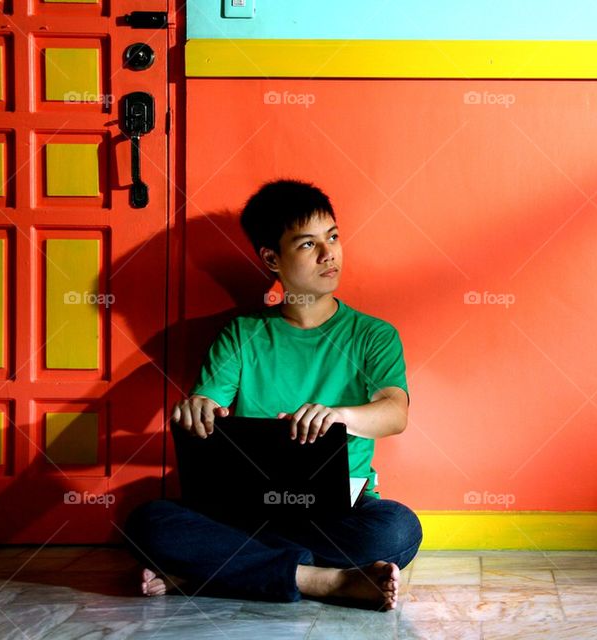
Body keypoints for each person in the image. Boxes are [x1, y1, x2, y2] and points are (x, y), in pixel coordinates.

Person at [124, 179, 422, 610]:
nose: (329, 253)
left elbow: (395, 413)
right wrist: (197, 409)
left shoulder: (372, 335)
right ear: (271, 258)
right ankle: (324, 581)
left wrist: (340, 417)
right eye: (307, 244)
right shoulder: (242, 334)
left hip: (336, 515)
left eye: (333, 237)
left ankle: (212, 571)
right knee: (147, 523)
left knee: (398, 529)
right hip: (246, 512)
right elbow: (208, 403)